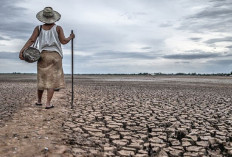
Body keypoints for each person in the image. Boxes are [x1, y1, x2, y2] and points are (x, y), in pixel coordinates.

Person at [19, 7, 75, 109]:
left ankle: (39, 101)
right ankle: (48, 103)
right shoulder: (58, 28)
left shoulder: (38, 28)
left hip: (43, 55)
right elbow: (63, 41)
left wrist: (22, 50)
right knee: (52, 81)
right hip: (55, 56)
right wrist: (70, 37)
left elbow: (32, 40)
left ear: (43, 18)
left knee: (42, 79)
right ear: (53, 17)